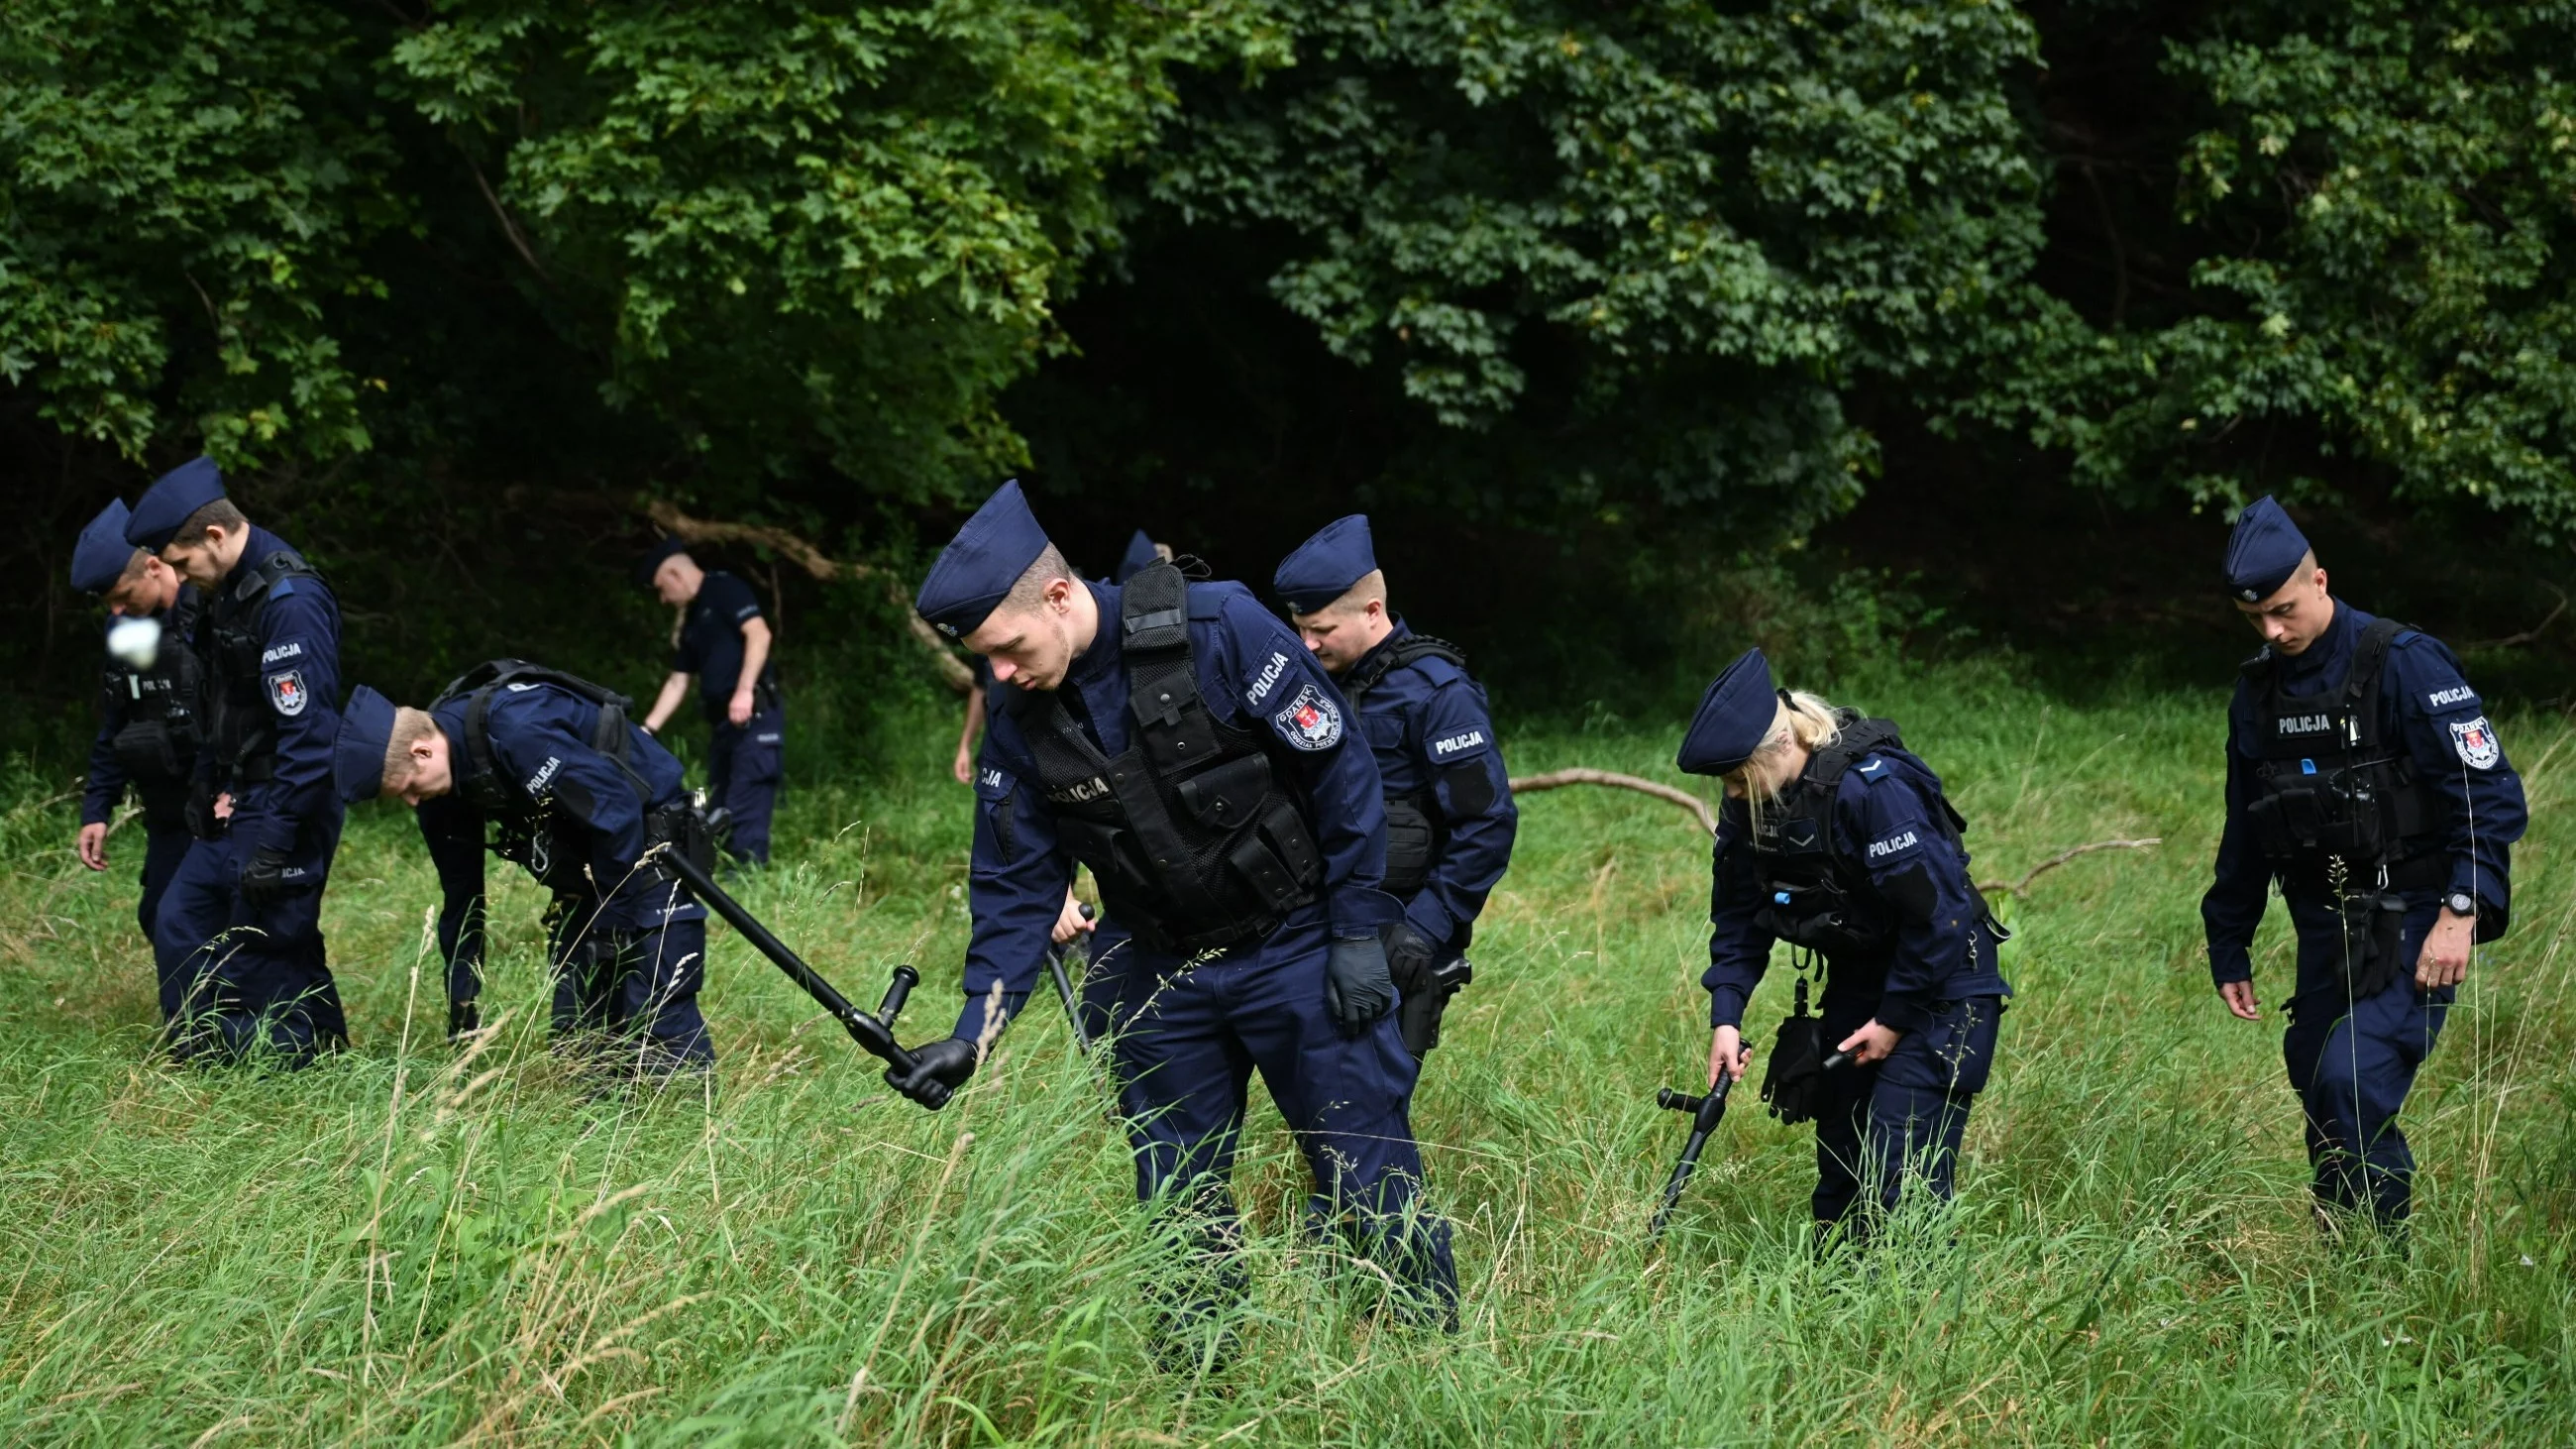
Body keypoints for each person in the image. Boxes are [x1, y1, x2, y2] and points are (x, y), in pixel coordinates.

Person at [900, 480, 1455, 1357]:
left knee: (1362, 1167)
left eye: (1005, 647)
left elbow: (1342, 774)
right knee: (1175, 1194)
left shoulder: (1219, 628)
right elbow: (1013, 886)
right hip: (1160, 973)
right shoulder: (1020, 719)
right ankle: (1200, 1386)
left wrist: (1355, 930)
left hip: (1295, 947)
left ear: (1056, 594)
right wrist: (973, 1034)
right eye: (985, 659)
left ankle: (1433, 1358)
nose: (998, 673)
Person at [2201, 498, 2525, 1239]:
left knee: (2350, 1076)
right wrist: (2229, 939)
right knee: (2315, 1070)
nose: (2273, 631)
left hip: (2415, 916)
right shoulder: (2257, 692)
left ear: (2321, 580)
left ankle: (2379, 1258)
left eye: (2284, 610)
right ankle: (2342, 1237)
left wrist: (2462, 909)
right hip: (2324, 924)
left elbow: (2488, 794)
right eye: (2255, 621)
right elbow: (2245, 828)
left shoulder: (2403, 662)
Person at [1678, 647, 2009, 1245]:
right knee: (1843, 1163)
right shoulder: (1751, 807)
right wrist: (1726, 1017)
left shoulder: (1871, 791)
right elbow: (1737, 918)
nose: (1729, 795)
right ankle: (1840, 1308)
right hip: (1861, 982)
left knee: (1899, 1166)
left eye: (1734, 777)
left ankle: (1926, 1309)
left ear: (1780, 746)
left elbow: (1938, 920)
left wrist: (1894, 1019)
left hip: (1941, 986)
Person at [335, 665, 716, 1077]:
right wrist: (463, 1004)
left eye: (409, 786)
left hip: (647, 840)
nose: (411, 802)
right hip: (593, 860)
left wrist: (611, 930)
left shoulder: (516, 732)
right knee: (578, 1034)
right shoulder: (442, 791)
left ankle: (689, 1111)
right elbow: (462, 897)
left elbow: (618, 812)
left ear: (422, 751)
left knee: (654, 1014)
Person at [126, 458, 349, 1064]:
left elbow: (309, 738)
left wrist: (277, 840)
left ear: (216, 538)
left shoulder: (289, 601)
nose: (176, 575)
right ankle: (205, 1052)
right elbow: (219, 702)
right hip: (238, 795)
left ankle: (296, 1063)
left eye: (180, 561)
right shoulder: (221, 594)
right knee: (179, 916)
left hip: (288, 798)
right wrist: (204, 783)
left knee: (262, 942)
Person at [1273, 514, 1516, 1059]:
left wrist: (1422, 932)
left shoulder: (1439, 693)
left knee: (1373, 1095)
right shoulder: (1305, 683)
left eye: (1323, 630)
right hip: (1317, 924)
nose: (1307, 644)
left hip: (1401, 931)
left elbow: (1487, 825)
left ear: (1373, 611)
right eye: (1300, 629)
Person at [69, 500, 205, 1026]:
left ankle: (218, 1035)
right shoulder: (128, 631)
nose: (117, 612)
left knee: (207, 915)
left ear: (154, 567)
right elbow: (118, 721)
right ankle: (191, 1032)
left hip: (226, 803)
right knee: (160, 914)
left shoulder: (210, 612)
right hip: (170, 806)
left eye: (123, 596)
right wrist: (96, 808)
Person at [638, 539, 782, 863]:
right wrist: (646, 729)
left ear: (675, 574)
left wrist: (744, 690)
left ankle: (746, 877)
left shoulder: (725, 588)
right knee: (719, 803)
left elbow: (759, 634)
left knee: (748, 799)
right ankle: (720, 873)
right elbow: (678, 680)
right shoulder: (693, 621)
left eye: (662, 589)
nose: (664, 599)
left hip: (754, 717)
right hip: (724, 724)